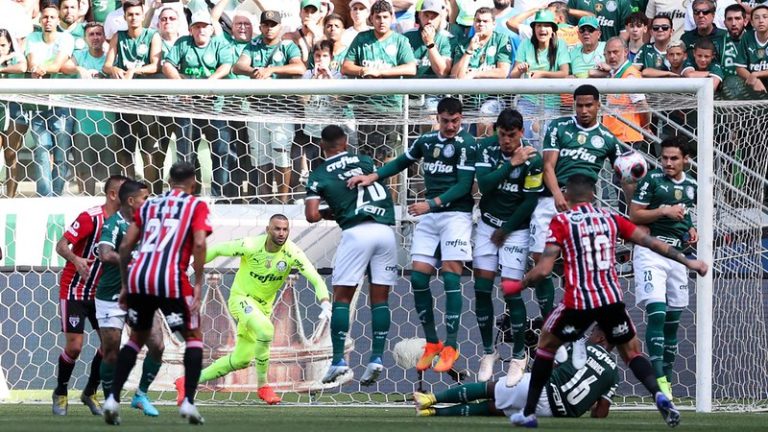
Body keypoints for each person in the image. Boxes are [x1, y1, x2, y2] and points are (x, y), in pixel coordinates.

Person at [504, 173, 708, 428]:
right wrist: (689, 261)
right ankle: (658, 395)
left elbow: (544, 269)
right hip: (610, 300)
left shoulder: (562, 221)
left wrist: (519, 284)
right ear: (593, 195)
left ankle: (529, 413)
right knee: (632, 352)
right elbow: (651, 242)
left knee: (546, 345)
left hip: (578, 302)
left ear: (566, 195)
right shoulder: (612, 219)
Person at [348, 97, 476, 374]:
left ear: (461, 119)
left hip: (455, 215)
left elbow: (465, 186)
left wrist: (430, 204)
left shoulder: (468, 144)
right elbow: (402, 161)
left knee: (451, 274)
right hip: (429, 215)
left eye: (455, 121)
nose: (451, 126)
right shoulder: (426, 141)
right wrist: (372, 177)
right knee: (418, 277)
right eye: (445, 121)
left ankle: (451, 345)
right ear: (437, 118)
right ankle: (432, 342)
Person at [176, 214, 330, 405]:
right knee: (266, 330)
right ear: (268, 230)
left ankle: (187, 381)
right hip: (241, 299)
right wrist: (190, 267)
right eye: (277, 228)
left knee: (241, 360)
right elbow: (217, 249)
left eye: (285, 229)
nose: (281, 233)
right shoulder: (251, 245)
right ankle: (263, 386)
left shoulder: (293, 254)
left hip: (263, 308)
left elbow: (315, 278)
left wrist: (325, 301)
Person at [103, 161, 212, 425]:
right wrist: (198, 281)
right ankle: (188, 402)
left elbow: (128, 244)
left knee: (137, 338)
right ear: (193, 183)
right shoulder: (196, 205)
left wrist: (128, 284)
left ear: (168, 180)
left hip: (141, 276)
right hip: (170, 279)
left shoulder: (150, 205)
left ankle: (112, 399)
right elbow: (198, 242)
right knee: (194, 337)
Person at [305, 125, 397, 386]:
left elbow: (312, 215)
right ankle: (377, 358)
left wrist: (329, 211)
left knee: (342, 299)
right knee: (380, 300)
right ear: (345, 142)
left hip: (356, 233)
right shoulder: (365, 161)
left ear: (322, 144)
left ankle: (338, 362)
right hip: (385, 231)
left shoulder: (318, 174)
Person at [528, 84, 622, 332]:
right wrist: (558, 194)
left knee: (583, 270)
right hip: (552, 200)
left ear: (598, 105)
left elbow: (624, 173)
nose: (583, 110)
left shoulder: (608, 138)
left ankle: (576, 331)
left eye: (588, 105)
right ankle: (550, 324)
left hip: (583, 209)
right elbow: (548, 166)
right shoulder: (559, 127)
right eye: (579, 105)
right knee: (540, 262)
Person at [472, 109, 541, 385]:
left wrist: (507, 229)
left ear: (521, 133)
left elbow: (530, 201)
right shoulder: (487, 150)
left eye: (512, 136)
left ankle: (518, 354)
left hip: (515, 230)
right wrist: (511, 163)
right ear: (496, 131)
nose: (506, 141)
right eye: (502, 135)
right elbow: (485, 186)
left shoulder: (533, 159)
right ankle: (489, 352)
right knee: (481, 290)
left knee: (511, 292)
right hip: (488, 226)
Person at [52, 174, 129, 416]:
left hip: (103, 293)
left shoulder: (126, 224)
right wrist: (76, 260)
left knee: (110, 345)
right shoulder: (90, 218)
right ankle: (61, 392)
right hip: (74, 290)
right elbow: (61, 245)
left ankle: (90, 391)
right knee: (74, 348)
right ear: (113, 194)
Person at [413, 328, 618, 418]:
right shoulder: (614, 373)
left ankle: (430, 399)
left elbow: (552, 368)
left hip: (542, 390)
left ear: (600, 338)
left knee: (489, 388)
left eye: (593, 333)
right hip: (554, 414)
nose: (590, 336)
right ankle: (433, 412)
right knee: (492, 409)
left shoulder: (582, 348)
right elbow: (601, 413)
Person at [630, 136, 697, 400]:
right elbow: (635, 215)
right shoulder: (652, 181)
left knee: (673, 322)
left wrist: (691, 230)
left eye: (674, 158)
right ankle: (658, 383)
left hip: (677, 256)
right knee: (656, 314)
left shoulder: (691, 186)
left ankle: (667, 381)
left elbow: (686, 216)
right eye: (664, 158)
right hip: (651, 252)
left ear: (686, 160)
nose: (668, 163)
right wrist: (663, 211)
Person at [95, 180, 164, 417]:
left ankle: (141, 394)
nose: (150, 201)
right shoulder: (114, 224)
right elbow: (104, 253)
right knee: (111, 352)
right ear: (131, 201)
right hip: (111, 296)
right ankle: (111, 401)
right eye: (145, 197)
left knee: (157, 344)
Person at [234, 10, 306, 204]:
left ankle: (282, 202)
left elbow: (299, 68)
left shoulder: (288, 46)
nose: (269, 28)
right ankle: (265, 201)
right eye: (266, 24)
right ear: (260, 27)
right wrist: (255, 71)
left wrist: (272, 69)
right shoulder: (254, 45)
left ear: (280, 27)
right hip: (257, 109)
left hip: (282, 110)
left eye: (273, 24)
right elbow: (238, 66)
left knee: (281, 156)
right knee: (261, 158)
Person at [163, 11, 235, 198]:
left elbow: (226, 66)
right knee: (186, 156)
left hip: (215, 106)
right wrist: (183, 87)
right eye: (197, 26)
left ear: (211, 29)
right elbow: (168, 65)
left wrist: (208, 82)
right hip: (189, 106)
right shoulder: (182, 43)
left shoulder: (220, 43)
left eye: (204, 26)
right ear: (190, 29)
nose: (201, 29)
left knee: (221, 153)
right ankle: (188, 198)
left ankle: (220, 198)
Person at [342, 0, 416, 168]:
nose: (381, 21)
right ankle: (372, 193)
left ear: (392, 18)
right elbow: (346, 67)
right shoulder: (362, 39)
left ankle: (390, 194)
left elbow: (411, 68)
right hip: (365, 107)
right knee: (368, 158)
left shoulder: (400, 41)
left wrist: (381, 72)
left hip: (390, 107)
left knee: (390, 159)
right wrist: (363, 71)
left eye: (385, 17)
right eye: (377, 17)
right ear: (371, 19)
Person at [102, 0, 162, 186]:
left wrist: (135, 71)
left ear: (143, 15)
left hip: (146, 100)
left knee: (148, 149)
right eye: (130, 14)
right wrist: (114, 70)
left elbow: (156, 65)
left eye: (137, 14)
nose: (134, 17)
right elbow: (106, 65)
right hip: (123, 99)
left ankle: (149, 191)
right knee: (125, 149)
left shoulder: (153, 35)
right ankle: (130, 190)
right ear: (125, 17)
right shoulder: (118, 37)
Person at [24, 2, 76, 197]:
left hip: (61, 103)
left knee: (62, 154)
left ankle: (56, 193)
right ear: (40, 19)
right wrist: (37, 67)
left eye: (52, 17)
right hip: (38, 104)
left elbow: (57, 65)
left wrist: (41, 68)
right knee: (41, 150)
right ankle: (45, 196)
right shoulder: (32, 38)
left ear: (58, 20)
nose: (48, 21)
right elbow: (31, 63)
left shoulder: (66, 38)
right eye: (45, 17)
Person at [63, 21, 116, 196]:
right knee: (85, 171)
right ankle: (87, 204)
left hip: (109, 125)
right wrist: (79, 68)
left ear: (104, 37)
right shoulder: (80, 56)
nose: (95, 37)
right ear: (85, 38)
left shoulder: (110, 57)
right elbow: (64, 67)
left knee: (111, 173)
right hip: (83, 124)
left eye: (98, 34)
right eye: (91, 34)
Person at [509, 10, 569, 146]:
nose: (542, 29)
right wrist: (520, 70)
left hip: (551, 102)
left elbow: (564, 73)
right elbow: (513, 75)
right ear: (534, 29)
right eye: (538, 25)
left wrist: (542, 74)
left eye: (546, 25)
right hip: (527, 101)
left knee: (544, 139)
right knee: (524, 138)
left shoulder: (561, 45)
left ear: (553, 29)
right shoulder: (525, 44)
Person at [452, 7, 512, 137]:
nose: (481, 24)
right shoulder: (464, 43)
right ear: (474, 22)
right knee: (459, 132)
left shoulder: (501, 40)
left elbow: (502, 72)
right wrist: (469, 51)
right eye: (478, 21)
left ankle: (484, 156)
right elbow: (457, 76)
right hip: (467, 100)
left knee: (484, 118)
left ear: (493, 24)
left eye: (485, 21)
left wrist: (475, 74)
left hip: (493, 97)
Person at [0, 27, 27, 198]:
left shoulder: (16, 58)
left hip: (16, 111)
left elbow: (23, 67)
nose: (0, 48)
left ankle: (11, 196)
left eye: (2, 44)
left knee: (11, 154)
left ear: (10, 43)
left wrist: (2, 66)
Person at [734, 5, 768, 94]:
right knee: (732, 82)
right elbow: (739, 67)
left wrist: (756, 74)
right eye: (756, 18)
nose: (761, 21)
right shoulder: (747, 37)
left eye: (765, 17)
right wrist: (754, 80)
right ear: (752, 23)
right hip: (752, 82)